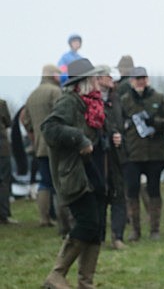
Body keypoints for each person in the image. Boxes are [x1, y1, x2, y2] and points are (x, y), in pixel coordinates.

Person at [41, 58, 108, 288]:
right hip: (76, 175)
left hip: (95, 175)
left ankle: (85, 283)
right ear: (85, 82)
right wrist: (79, 139)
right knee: (88, 223)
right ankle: (56, 275)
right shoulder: (69, 101)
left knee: (97, 229)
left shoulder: (94, 105)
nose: (100, 83)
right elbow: (49, 129)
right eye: (96, 78)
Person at [120, 66, 164, 241]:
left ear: (147, 79)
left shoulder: (159, 98)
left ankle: (155, 230)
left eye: (143, 78)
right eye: (137, 78)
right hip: (132, 154)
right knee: (132, 191)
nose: (140, 81)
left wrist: (155, 123)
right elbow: (117, 124)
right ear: (131, 81)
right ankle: (135, 230)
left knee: (154, 191)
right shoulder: (124, 101)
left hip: (155, 154)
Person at [23, 64, 68, 230]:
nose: (60, 76)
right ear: (53, 75)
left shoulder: (32, 95)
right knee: (59, 183)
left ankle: (44, 218)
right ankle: (63, 221)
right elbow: (63, 115)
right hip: (56, 144)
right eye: (58, 73)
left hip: (39, 146)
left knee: (44, 182)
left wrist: (34, 136)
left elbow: (25, 120)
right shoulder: (55, 92)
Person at [97, 65, 127, 250]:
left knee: (118, 196)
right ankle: (98, 238)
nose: (112, 79)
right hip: (98, 156)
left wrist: (119, 135)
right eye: (108, 76)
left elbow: (122, 122)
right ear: (98, 78)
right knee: (100, 197)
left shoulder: (116, 99)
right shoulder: (90, 101)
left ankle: (118, 237)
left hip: (117, 155)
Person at [0, 97, 16, 224]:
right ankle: (3, 215)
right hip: (2, 149)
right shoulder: (1, 103)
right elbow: (8, 123)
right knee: (4, 181)